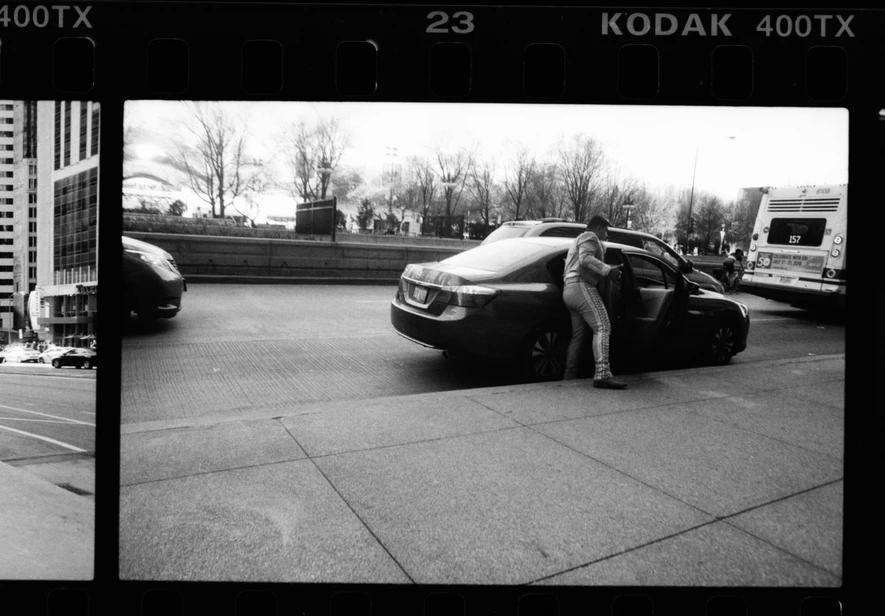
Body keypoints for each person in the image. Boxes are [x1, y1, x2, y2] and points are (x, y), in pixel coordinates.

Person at [562, 215, 627, 389]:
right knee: (603, 326)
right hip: (581, 287)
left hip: (569, 289)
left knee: (578, 336)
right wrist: (608, 270)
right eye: (606, 231)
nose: (607, 235)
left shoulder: (578, 240)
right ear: (598, 228)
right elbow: (585, 259)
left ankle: (569, 376)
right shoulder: (590, 237)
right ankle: (603, 374)